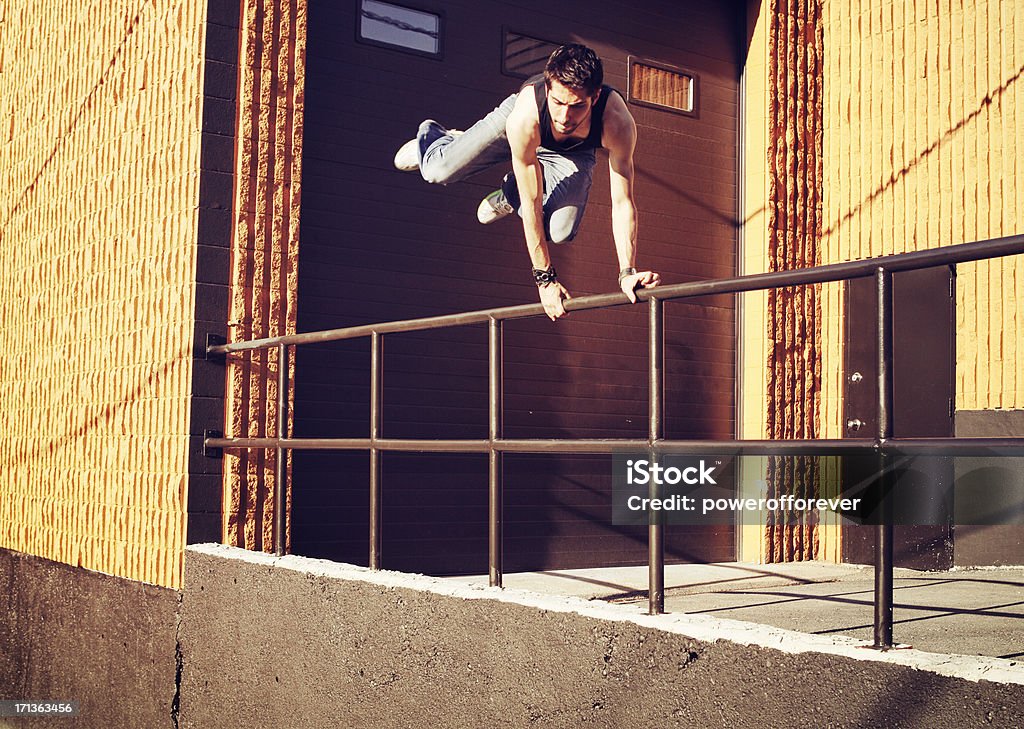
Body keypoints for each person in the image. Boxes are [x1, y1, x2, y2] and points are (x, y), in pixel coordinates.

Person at [393, 43, 660, 321]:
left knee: (560, 231)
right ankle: (439, 139)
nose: (564, 117)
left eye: (577, 106)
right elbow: (533, 201)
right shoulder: (525, 116)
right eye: (558, 103)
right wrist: (545, 280)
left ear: (594, 96)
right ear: (548, 88)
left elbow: (623, 202)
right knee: (438, 171)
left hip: (572, 153)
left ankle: (509, 195)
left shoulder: (616, 122)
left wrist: (627, 272)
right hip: (521, 131)